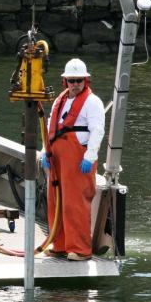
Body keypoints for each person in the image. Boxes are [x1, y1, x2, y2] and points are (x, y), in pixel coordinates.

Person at [40, 58, 105, 261]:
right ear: (65, 81)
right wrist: (45, 151)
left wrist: (90, 156)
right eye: (71, 80)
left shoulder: (92, 102)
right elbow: (51, 127)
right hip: (58, 157)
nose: (75, 84)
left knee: (75, 203)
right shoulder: (60, 100)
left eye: (79, 80)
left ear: (86, 80)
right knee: (55, 200)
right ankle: (59, 245)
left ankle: (80, 249)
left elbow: (98, 130)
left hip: (78, 159)